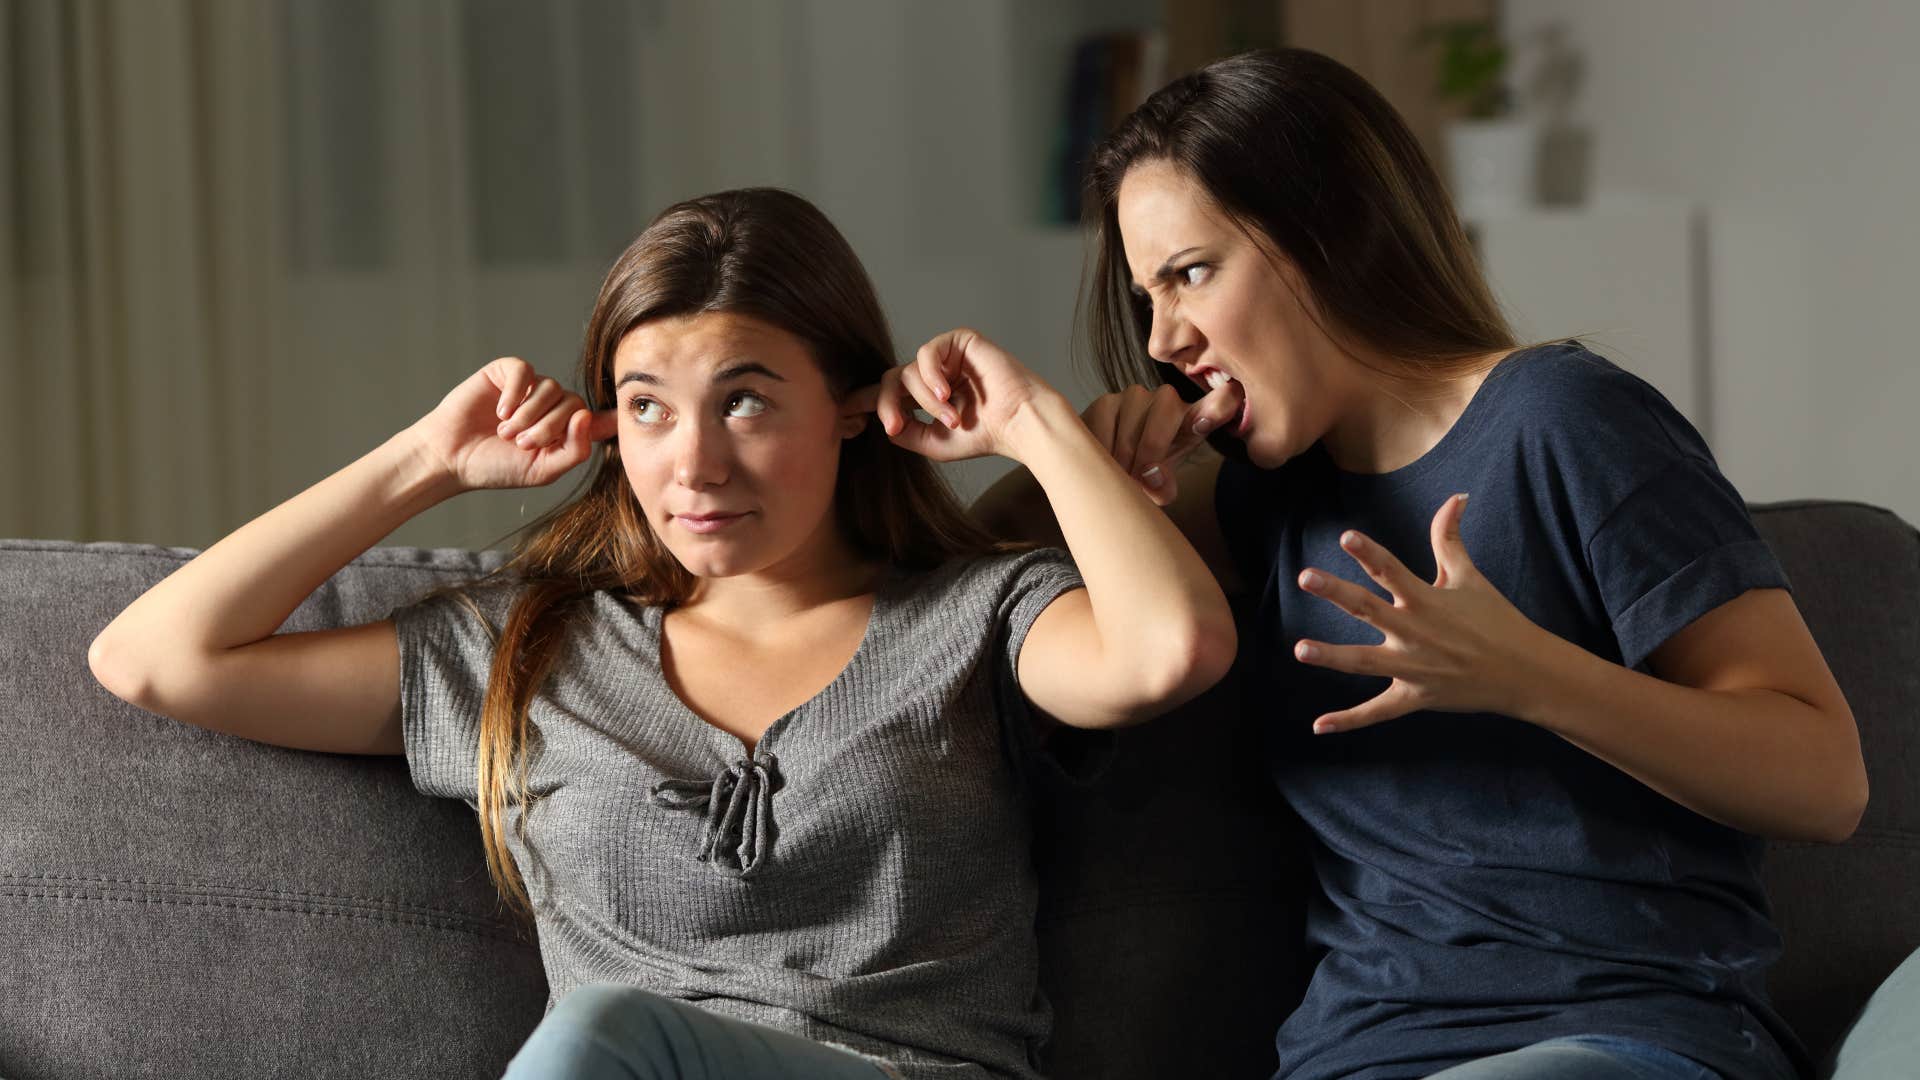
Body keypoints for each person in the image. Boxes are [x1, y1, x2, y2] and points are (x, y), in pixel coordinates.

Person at [86, 188, 1236, 1079]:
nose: (691, 465)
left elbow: (1168, 652)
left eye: (743, 399)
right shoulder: (529, 652)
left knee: (612, 1035)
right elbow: (153, 660)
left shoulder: (972, 618)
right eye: (646, 405)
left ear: (847, 403)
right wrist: (424, 463)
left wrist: (1036, 426)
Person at [974, 49, 1868, 1080]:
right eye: (1147, 297)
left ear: (1330, 231)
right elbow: (988, 563)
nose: (1166, 337)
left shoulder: (1562, 420)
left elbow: (1825, 779)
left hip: (1619, 1036)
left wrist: (1532, 677)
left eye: (1192, 272)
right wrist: (1082, 456)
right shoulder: (1264, 496)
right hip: (1356, 1059)